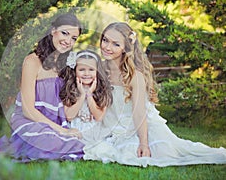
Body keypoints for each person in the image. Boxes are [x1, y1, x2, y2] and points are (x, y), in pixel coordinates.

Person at [82, 22, 226, 167]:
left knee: (161, 151)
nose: (107, 47)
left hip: (137, 125)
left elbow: (139, 112)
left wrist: (144, 143)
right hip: (110, 123)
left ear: (126, 48)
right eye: (105, 40)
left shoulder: (134, 76)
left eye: (115, 44)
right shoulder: (98, 67)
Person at [0, 13, 85, 162]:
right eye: (65, 33)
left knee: (79, 143)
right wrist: (62, 130)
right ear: (53, 30)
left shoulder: (67, 64)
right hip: (30, 120)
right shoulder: (32, 61)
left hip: (55, 122)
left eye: (74, 38)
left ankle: (45, 142)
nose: (68, 41)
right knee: (49, 141)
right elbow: (28, 110)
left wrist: (83, 95)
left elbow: (67, 112)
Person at [59, 49, 112, 133]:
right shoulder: (69, 88)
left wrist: (89, 94)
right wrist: (82, 95)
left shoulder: (102, 89)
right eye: (82, 69)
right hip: (74, 130)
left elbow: (98, 117)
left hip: (93, 132)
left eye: (91, 69)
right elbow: (69, 116)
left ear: (97, 71)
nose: (86, 73)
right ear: (75, 70)